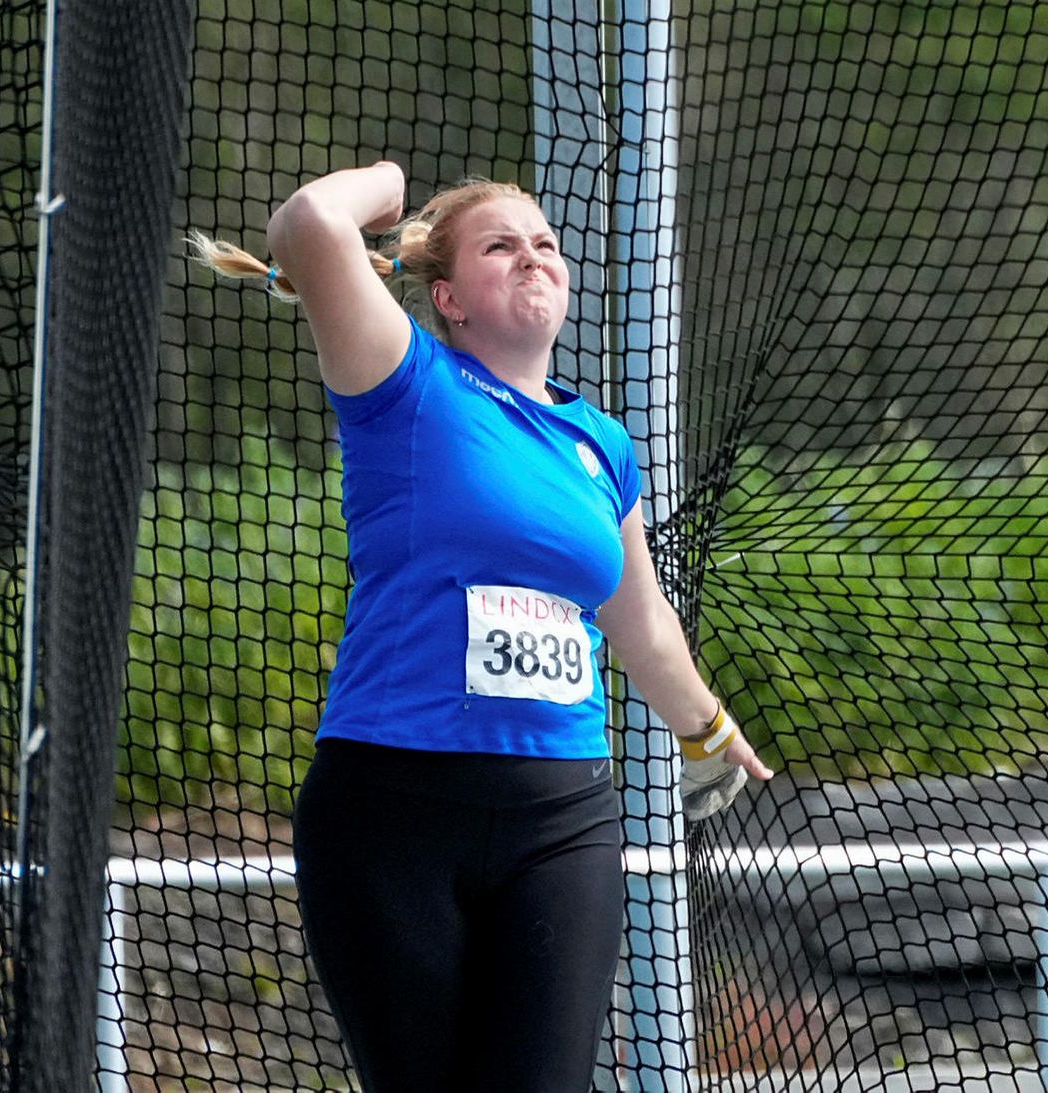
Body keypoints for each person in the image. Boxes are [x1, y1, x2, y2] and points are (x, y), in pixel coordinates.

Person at [188, 161, 773, 1092]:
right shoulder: (404, 378)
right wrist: (392, 184)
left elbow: (643, 622)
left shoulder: (602, 446)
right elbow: (307, 222)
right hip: (392, 813)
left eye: (545, 242)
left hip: (560, 817)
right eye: (502, 245)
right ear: (449, 296)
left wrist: (708, 731)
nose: (534, 255)